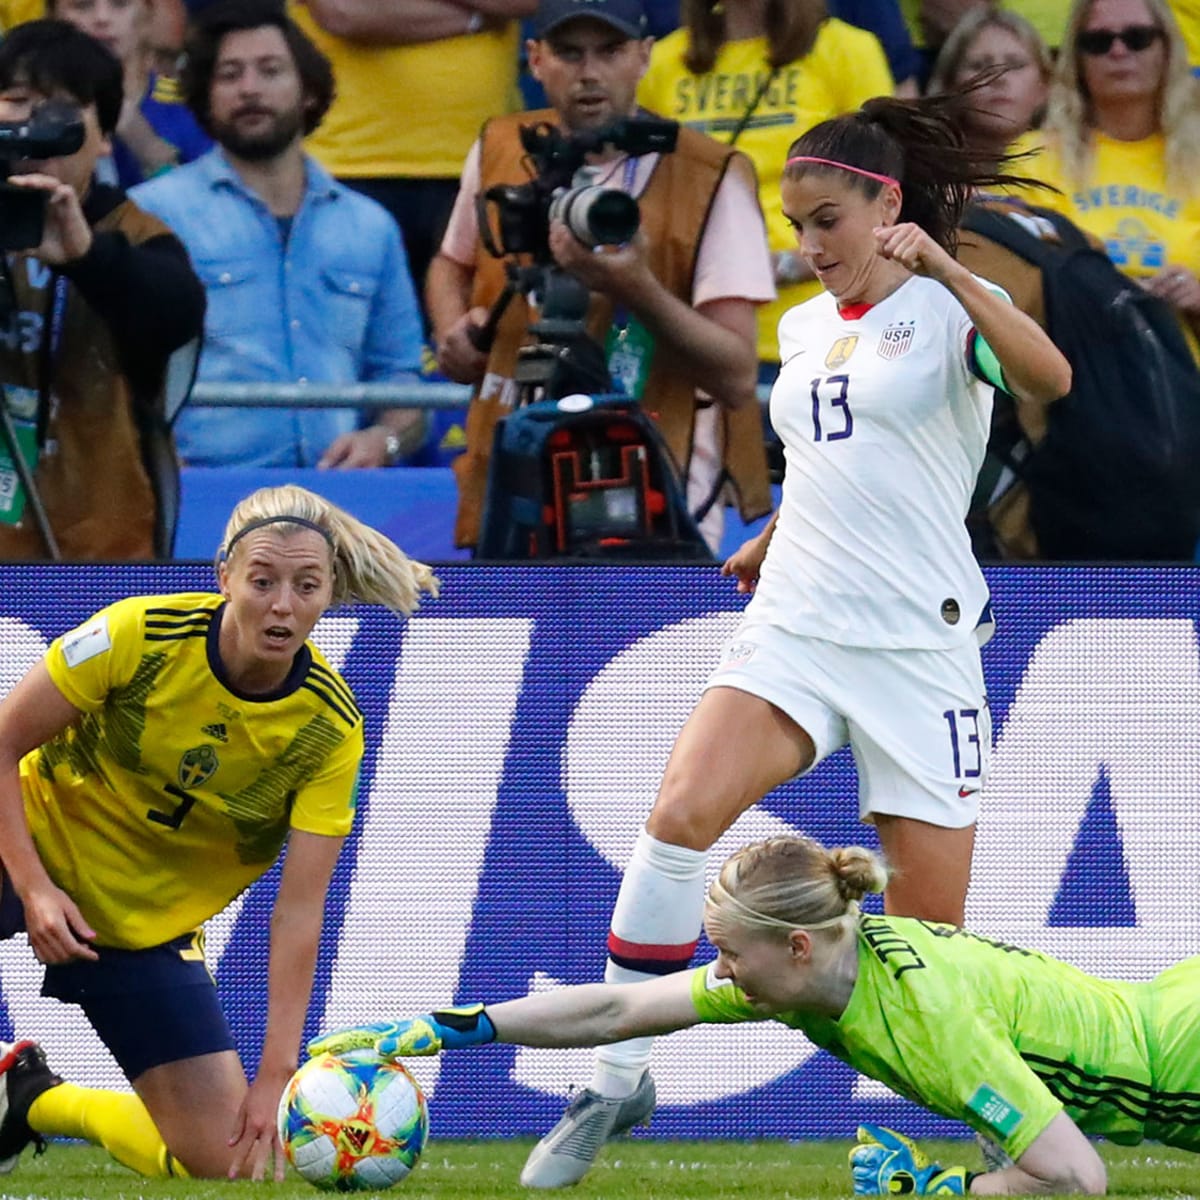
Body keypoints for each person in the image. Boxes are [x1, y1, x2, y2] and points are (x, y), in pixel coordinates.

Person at [511, 92, 1071, 1189]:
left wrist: (957, 276)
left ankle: (1013, 1148)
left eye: (826, 222)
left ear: (887, 208)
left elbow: (1051, 382)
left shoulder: (960, 309)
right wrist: (777, 528)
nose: (807, 247)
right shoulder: (808, 328)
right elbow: (838, 454)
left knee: (927, 953)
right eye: (796, 223)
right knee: (679, 814)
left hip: (919, 647)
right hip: (802, 622)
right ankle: (616, 1078)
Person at [310, 832, 1200, 1195]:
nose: (722, 972)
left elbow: (1080, 1178)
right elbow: (622, 1006)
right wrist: (454, 1027)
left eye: (731, 951)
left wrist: (940, 1189)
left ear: (797, 947)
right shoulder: (819, 975)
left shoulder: (930, 1017)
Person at [0, 483, 439, 1180]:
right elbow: (2, 742)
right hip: (32, 844)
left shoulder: (330, 729)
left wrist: (277, 1074)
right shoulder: (134, 633)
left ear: (330, 593)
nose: (283, 606)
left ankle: (33, 1101)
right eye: (263, 582)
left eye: (306, 586)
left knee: (229, 1162)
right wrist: (33, 886)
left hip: (141, 925)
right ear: (224, 577)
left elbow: (298, 910)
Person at [428, 0, 775, 555]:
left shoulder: (709, 173)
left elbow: (736, 375)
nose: (589, 72)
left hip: (659, 497)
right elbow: (451, 263)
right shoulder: (499, 145)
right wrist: (452, 331)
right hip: (512, 483)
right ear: (535, 60)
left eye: (610, 51)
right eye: (569, 52)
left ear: (643, 57)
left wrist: (634, 287)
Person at [131, 0, 428, 469]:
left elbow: (401, 380)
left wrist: (384, 440)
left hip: (340, 506)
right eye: (229, 74)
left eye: (270, 71)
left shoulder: (370, 226)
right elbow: (114, 373)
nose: (250, 89)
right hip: (199, 501)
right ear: (205, 96)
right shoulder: (153, 213)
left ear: (308, 91)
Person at [0, 19, 205, 561]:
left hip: (105, 557)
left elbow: (178, 315)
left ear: (105, 135)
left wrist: (88, 258)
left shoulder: (133, 230)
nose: (35, 125)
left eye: (61, 108)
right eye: (17, 101)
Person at [636, 0, 896, 374]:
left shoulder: (847, 51)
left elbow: (881, 198)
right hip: (700, 334)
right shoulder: (661, 62)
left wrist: (784, 265)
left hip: (825, 330)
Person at [288, 0, 535, 332]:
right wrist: (478, 18)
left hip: (480, 167)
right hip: (345, 166)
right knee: (340, 349)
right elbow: (342, 12)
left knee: (476, 347)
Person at [1017, 0, 1200, 346]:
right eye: (1098, 42)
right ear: (1077, 59)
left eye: (1138, 38)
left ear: (1167, 49)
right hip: (1073, 376)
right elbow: (1012, 288)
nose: (1118, 51)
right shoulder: (1031, 158)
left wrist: (1196, 297)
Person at [48, 0, 212, 188]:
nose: (102, 18)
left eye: (120, 4)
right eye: (83, 5)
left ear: (147, 17)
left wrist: (148, 147)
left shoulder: (190, 104)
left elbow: (216, 207)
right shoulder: (32, 105)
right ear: (52, 17)